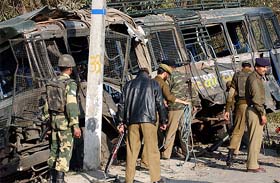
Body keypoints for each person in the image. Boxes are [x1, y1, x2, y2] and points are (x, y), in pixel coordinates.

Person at [117, 68, 167, 183]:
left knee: (131, 151)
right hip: (148, 121)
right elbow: (160, 103)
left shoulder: (128, 85)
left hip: (132, 122)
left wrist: (120, 122)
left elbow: (122, 105)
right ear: (148, 74)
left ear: (137, 75)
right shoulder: (153, 83)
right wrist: (163, 121)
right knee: (152, 150)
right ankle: (156, 179)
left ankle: (128, 180)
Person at [44, 54, 81, 183]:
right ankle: (59, 180)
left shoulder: (52, 83)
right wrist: (75, 125)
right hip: (65, 124)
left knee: (54, 151)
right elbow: (71, 105)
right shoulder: (70, 84)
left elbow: (46, 105)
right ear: (70, 68)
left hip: (54, 123)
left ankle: (52, 179)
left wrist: (48, 121)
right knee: (64, 152)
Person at [161, 60, 201, 160]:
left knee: (171, 131)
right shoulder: (185, 76)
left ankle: (166, 154)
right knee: (185, 131)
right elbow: (193, 91)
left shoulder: (168, 77)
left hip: (174, 107)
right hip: (187, 107)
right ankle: (187, 153)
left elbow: (165, 92)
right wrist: (196, 104)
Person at [224, 61, 252, 167]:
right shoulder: (254, 75)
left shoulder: (237, 75)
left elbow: (230, 94)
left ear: (242, 67)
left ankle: (230, 156)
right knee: (254, 131)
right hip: (253, 106)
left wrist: (227, 109)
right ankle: (252, 158)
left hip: (241, 105)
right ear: (250, 67)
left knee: (237, 130)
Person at [245, 58, 270, 173]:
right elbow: (256, 99)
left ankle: (254, 163)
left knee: (256, 139)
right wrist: (262, 114)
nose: (265, 69)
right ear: (256, 67)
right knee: (255, 139)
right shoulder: (254, 79)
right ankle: (252, 165)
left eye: (266, 67)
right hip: (255, 110)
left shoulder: (256, 77)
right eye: (263, 67)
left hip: (255, 109)